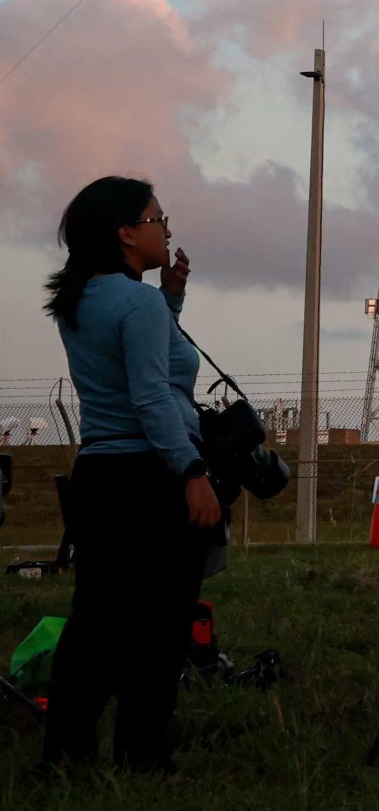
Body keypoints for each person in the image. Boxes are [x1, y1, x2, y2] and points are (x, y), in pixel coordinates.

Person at [37, 177, 224, 773]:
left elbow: (130, 370)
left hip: (98, 475)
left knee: (96, 618)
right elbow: (151, 398)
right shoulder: (135, 302)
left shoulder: (84, 299)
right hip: (152, 476)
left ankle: (65, 752)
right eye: (156, 218)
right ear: (125, 232)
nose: (165, 229)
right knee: (161, 623)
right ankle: (142, 752)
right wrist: (192, 470)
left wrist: (168, 299)